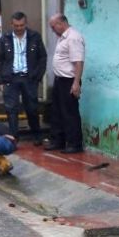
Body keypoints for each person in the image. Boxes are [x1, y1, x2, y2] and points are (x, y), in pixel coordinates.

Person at [0, 12, 47, 142]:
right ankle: (14, 137)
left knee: (32, 107)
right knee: (11, 108)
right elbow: (0, 60)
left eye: (21, 25)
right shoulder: (5, 38)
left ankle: (36, 135)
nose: (19, 28)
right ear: (11, 24)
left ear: (26, 23)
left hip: (29, 78)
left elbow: (42, 57)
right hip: (11, 78)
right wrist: (2, 79)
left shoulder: (35, 37)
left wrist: (37, 76)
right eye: (16, 25)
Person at [45, 14, 86, 153]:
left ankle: (74, 143)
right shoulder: (63, 37)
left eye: (53, 26)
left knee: (69, 113)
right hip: (60, 79)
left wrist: (75, 83)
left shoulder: (73, 37)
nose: (52, 30)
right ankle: (58, 140)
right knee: (56, 112)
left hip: (69, 80)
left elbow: (78, 62)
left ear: (61, 23)